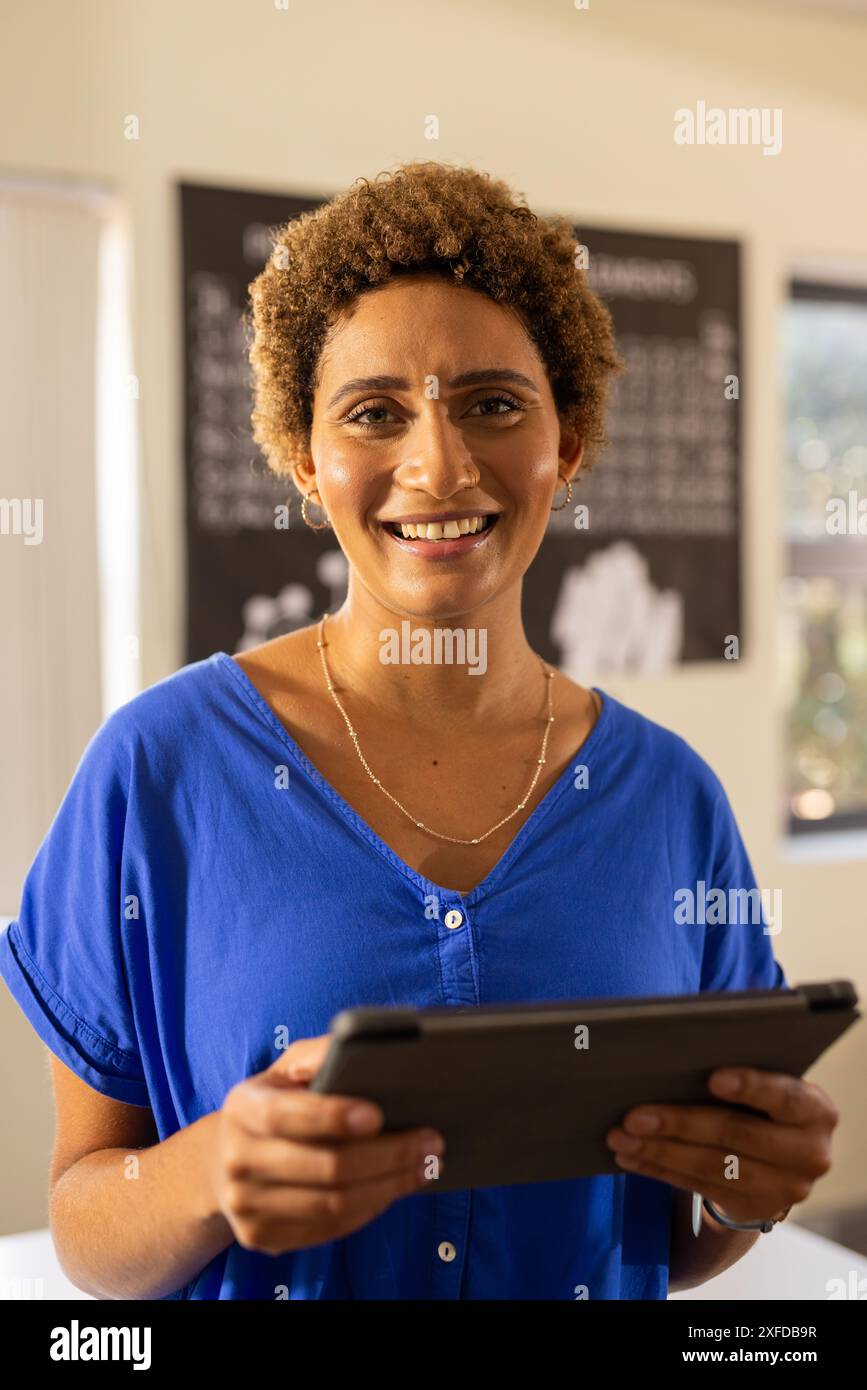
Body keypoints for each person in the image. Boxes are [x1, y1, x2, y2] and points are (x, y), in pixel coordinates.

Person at [0, 162, 838, 1300]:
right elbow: (86, 1229)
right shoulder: (159, 772)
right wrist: (208, 1172)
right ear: (304, 454)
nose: (438, 465)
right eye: (373, 412)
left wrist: (743, 1192)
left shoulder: (670, 801)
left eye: (493, 403)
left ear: (570, 439)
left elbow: (675, 1228)